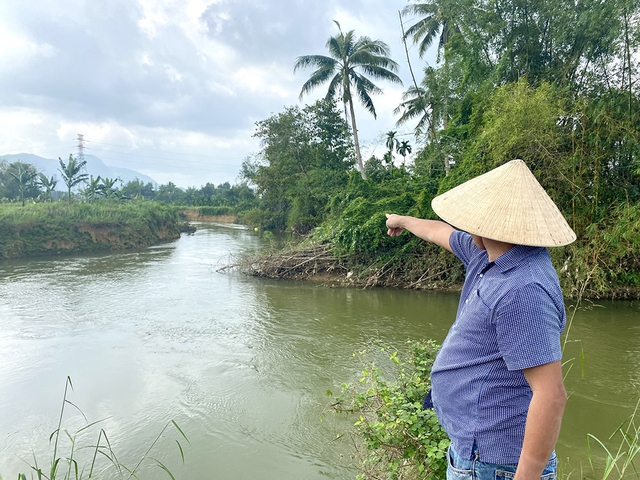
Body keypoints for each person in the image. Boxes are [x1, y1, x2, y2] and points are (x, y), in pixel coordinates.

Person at [385, 159, 576, 480]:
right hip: (475, 453)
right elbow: (438, 231)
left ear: (488, 223)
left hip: (496, 465)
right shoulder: (488, 251)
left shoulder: (523, 288)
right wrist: (403, 220)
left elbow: (551, 395)